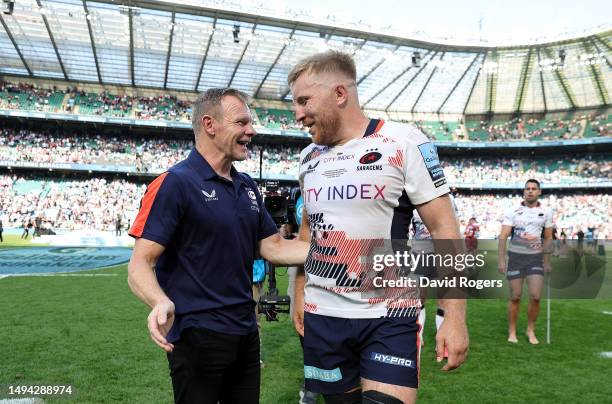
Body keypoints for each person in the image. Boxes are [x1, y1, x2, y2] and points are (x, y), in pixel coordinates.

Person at [289, 51, 468, 404]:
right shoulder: (308, 157)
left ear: (340, 94)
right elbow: (307, 236)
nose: (298, 114)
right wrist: (298, 293)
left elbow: (446, 231)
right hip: (324, 316)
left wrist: (454, 316)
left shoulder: (405, 142)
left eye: (304, 101)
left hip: (390, 315)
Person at [127, 88, 309, 404]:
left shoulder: (247, 186)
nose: (251, 131)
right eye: (241, 122)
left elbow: (275, 248)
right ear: (210, 125)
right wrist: (159, 300)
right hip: (198, 334)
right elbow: (140, 263)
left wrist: (339, 247)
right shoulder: (175, 183)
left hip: (246, 333)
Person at [498, 179, 553, 345]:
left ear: (539, 192)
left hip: (535, 258)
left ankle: (530, 330)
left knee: (536, 296)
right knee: (515, 296)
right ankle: (512, 331)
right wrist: (501, 260)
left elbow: (548, 237)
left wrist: (547, 261)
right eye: (527, 188)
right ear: (524, 191)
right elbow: (503, 236)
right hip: (516, 257)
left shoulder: (547, 211)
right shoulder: (513, 210)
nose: (530, 191)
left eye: (533, 188)